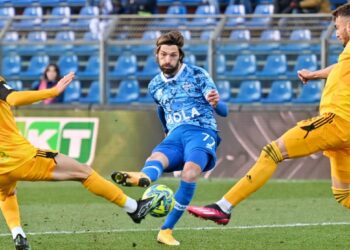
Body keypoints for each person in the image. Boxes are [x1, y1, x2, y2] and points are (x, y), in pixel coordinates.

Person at [187, 3, 350, 227]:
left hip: (335, 122)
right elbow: (340, 67)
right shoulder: (347, 55)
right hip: (344, 132)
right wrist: (314, 74)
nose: (336, 31)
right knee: (344, 195)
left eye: (338, 26)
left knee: (272, 152)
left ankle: (223, 207)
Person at [0, 72, 161, 250]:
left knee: (7, 194)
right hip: (20, 157)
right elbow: (13, 99)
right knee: (84, 172)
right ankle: (133, 208)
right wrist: (52, 92)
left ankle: (18, 234)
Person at [111, 31, 227, 246]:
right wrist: (166, 130)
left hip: (200, 133)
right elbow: (161, 109)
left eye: (173, 55)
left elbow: (224, 111)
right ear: (157, 55)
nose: (168, 59)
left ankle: (166, 230)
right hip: (175, 135)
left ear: (180, 56)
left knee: (189, 173)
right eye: (164, 55)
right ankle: (143, 179)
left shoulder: (198, 75)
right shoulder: (155, 85)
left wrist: (216, 103)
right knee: (156, 157)